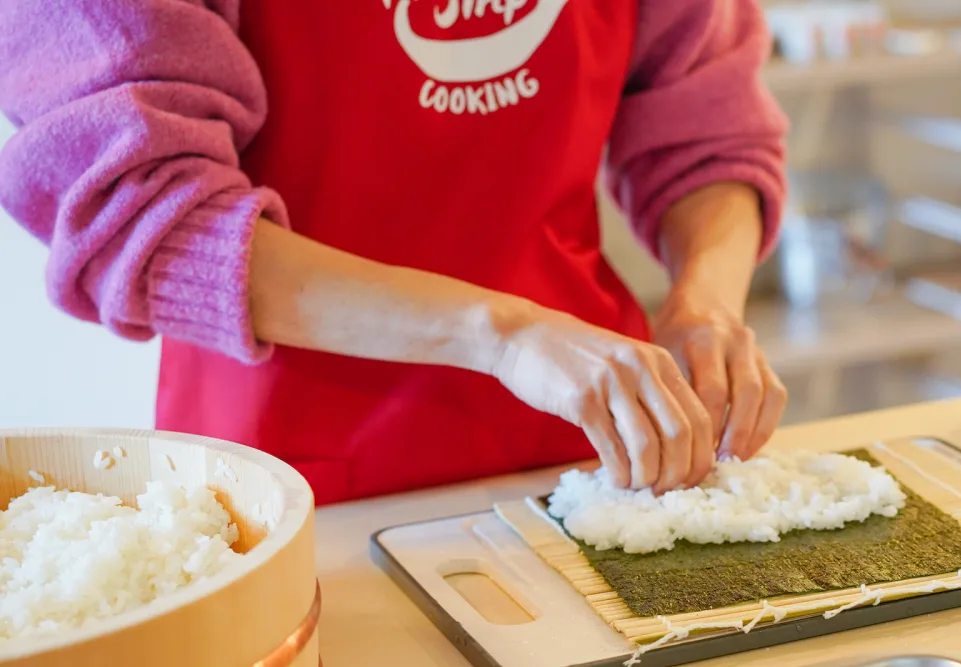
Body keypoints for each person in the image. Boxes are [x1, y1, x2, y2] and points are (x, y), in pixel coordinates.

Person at [0, 0, 789, 504]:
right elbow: (148, 214)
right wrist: (500, 335)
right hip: (295, 479)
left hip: (594, 454)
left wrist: (706, 303)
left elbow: (707, 126)